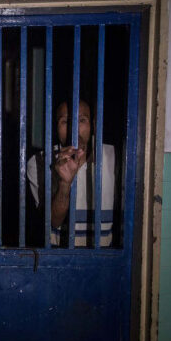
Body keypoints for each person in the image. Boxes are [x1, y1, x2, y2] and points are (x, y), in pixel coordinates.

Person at [27, 100, 115, 246]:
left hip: (104, 257)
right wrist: (65, 183)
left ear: (93, 126)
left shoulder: (113, 156)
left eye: (82, 120)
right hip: (59, 255)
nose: (74, 129)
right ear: (56, 127)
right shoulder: (39, 162)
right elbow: (53, 221)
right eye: (65, 121)